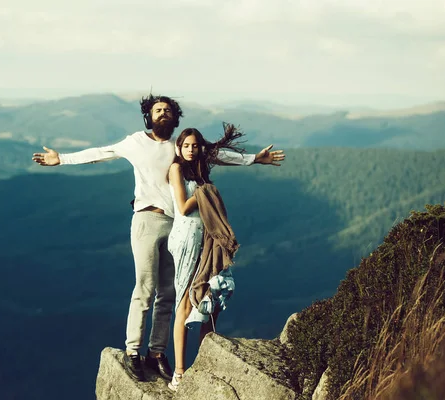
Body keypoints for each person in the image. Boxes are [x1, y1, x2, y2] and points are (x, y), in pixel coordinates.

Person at [31, 94, 285, 382]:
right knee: (145, 288)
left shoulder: (179, 147)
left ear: (175, 118)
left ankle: (157, 353)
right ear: (148, 116)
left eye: (168, 110)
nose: (163, 113)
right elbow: (101, 152)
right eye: (158, 110)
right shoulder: (136, 142)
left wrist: (254, 159)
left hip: (176, 226)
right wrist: (61, 159)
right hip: (147, 220)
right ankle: (133, 352)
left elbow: (213, 154)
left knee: (168, 293)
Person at [166, 125, 250, 391]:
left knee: (209, 295)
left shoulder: (199, 170)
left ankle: (204, 362)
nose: (190, 150)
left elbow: (224, 155)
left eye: (195, 145)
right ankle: (179, 372)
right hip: (186, 238)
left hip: (204, 238)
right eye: (186, 145)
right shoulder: (176, 169)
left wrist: (256, 159)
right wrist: (206, 193)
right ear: (178, 147)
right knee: (183, 303)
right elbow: (182, 205)